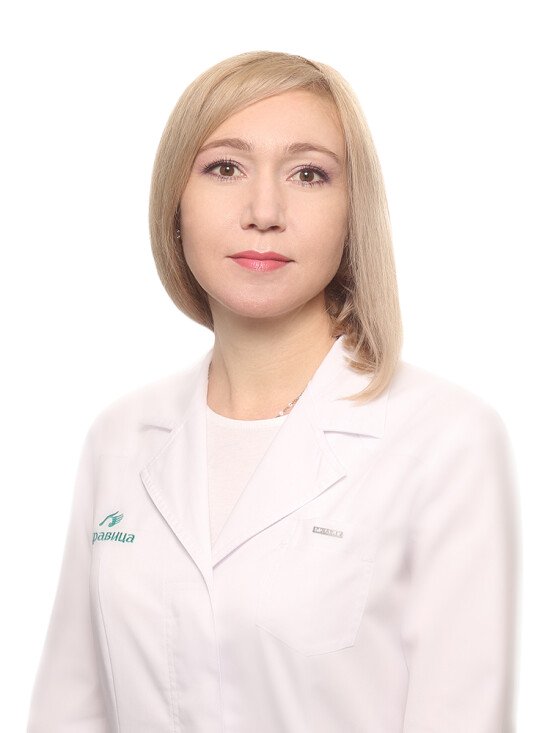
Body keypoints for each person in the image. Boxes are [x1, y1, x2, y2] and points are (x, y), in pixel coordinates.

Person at [26, 50, 520, 732]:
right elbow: (70, 709)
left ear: (351, 215)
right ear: (175, 203)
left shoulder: (444, 440)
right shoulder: (121, 436)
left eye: (308, 173)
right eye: (225, 167)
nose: (264, 211)